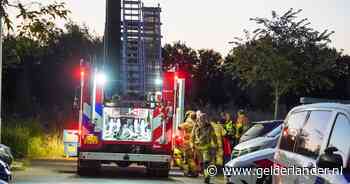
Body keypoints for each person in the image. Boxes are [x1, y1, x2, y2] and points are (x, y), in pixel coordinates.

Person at [191, 113, 217, 184]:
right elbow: (192, 136)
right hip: (197, 148)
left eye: (203, 119)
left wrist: (215, 144)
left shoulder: (209, 127)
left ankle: (207, 176)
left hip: (206, 147)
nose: (202, 121)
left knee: (206, 162)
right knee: (201, 163)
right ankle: (205, 174)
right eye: (201, 119)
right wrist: (192, 145)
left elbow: (214, 136)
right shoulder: (196, 126)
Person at [178, 111, 198, 177]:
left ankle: (193, 172)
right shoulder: (196, 123)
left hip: (188, 144)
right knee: (192, 158)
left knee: (189, 158)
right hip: (195, 143)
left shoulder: (188, 123)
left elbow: (179, 127)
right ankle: (190, 171)